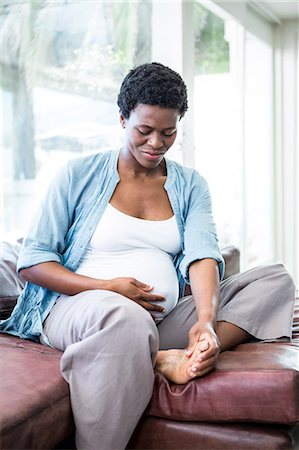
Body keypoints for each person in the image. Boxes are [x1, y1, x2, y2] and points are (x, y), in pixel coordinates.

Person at [0, 62, 295, 450]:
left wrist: (206, 323)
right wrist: (108, 287)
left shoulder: (190, 185)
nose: (156, 143)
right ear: (122, 118)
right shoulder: (77, 174)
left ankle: (176, 353)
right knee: (124, 317)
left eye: (168, 132)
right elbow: (34, 261)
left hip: (161, 319)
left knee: (275, 279)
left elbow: (203, 255)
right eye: (144, 130)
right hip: (78, 310)